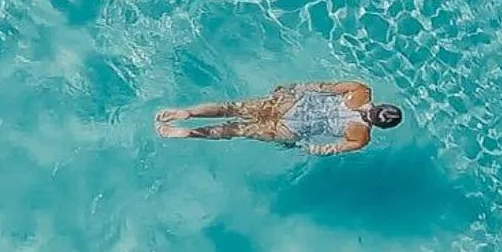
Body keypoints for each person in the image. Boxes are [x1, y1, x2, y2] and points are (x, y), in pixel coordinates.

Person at [155, 81, 402, 155]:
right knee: (236, 130)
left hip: (293, 104)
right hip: (292, 130)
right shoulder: (361, 137)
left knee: (232, 108)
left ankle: (189, 113)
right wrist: (306, 147)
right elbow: (327, 149)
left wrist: (293, 88)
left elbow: (321, 86)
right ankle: (189, 133)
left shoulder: (360, 91)